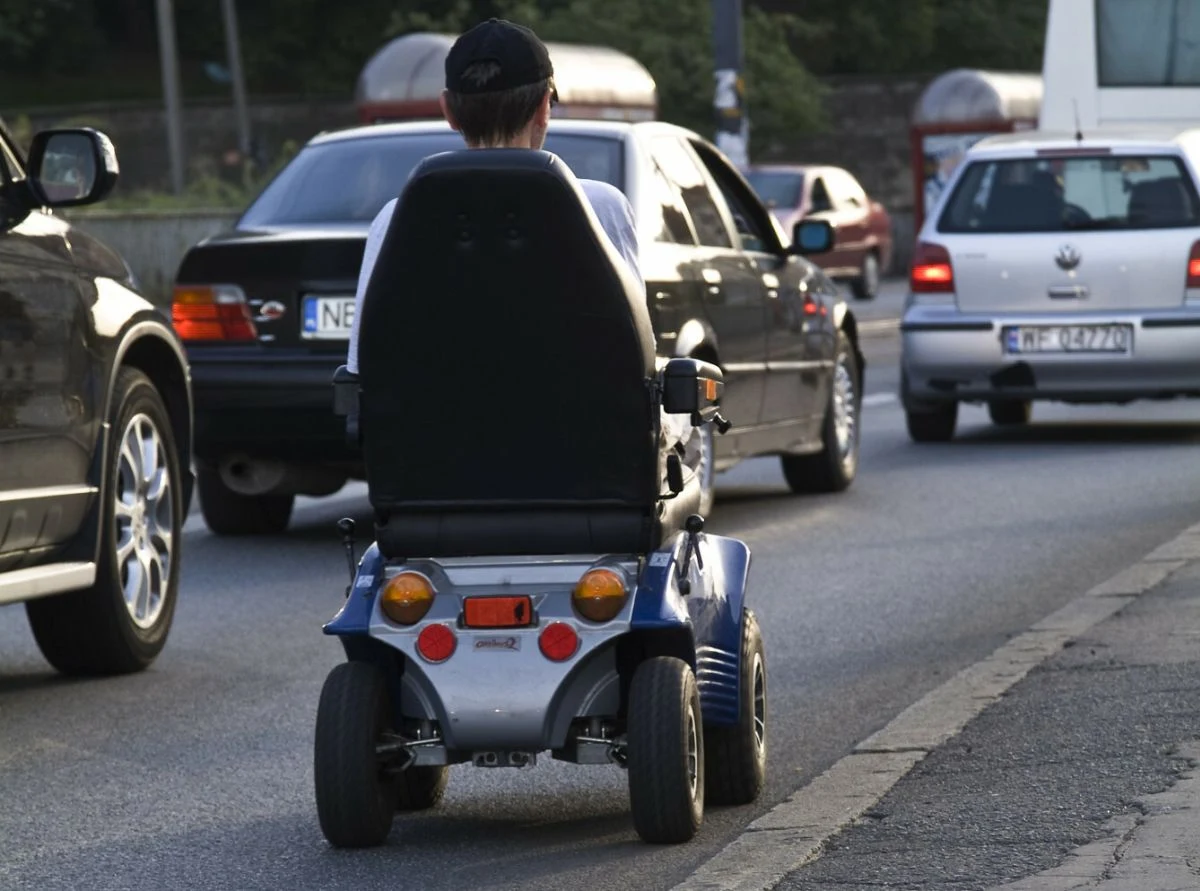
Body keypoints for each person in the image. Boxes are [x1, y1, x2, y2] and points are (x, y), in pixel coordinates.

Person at [345, 18, 642, 374]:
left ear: (449, 112)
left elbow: (361, 366)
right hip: (575, 427)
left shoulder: (397, 217)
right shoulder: (601, 207)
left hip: (434, 428)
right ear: (544, 107)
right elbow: (635, 359)